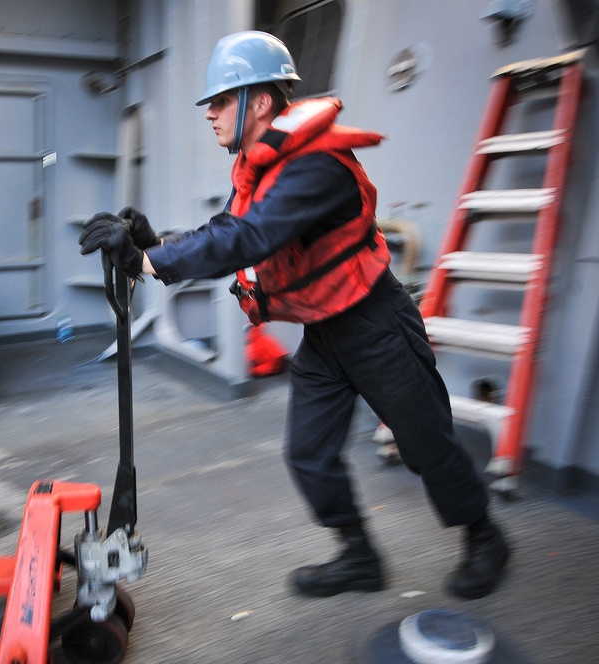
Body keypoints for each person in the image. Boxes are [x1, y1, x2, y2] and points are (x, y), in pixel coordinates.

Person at [78, 30, 510, 600]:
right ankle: (359, 556)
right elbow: (226, 232)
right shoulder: (262, 166)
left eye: (220, 100)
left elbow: (251, 237)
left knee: (425, 443)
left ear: (259, 101)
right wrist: (152, 244)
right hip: (327, 337)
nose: (208, 113)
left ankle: (484, 538)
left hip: (375, 323)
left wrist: (148, 261)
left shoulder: (315, 166)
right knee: (308, 453)